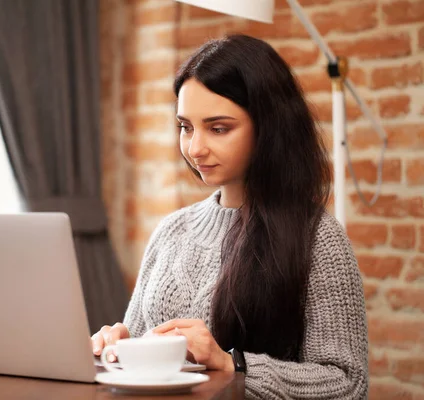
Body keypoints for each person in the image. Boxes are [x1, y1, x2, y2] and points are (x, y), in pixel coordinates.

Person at [91, 34, 368, 399]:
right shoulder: (171, 232)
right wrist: (118, 348)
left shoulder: (318, 238)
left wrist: (234, 365)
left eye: (218, 128)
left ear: (268, 128)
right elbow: (143, 359)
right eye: (185, 127)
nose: (195, 148)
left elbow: (349, 383)